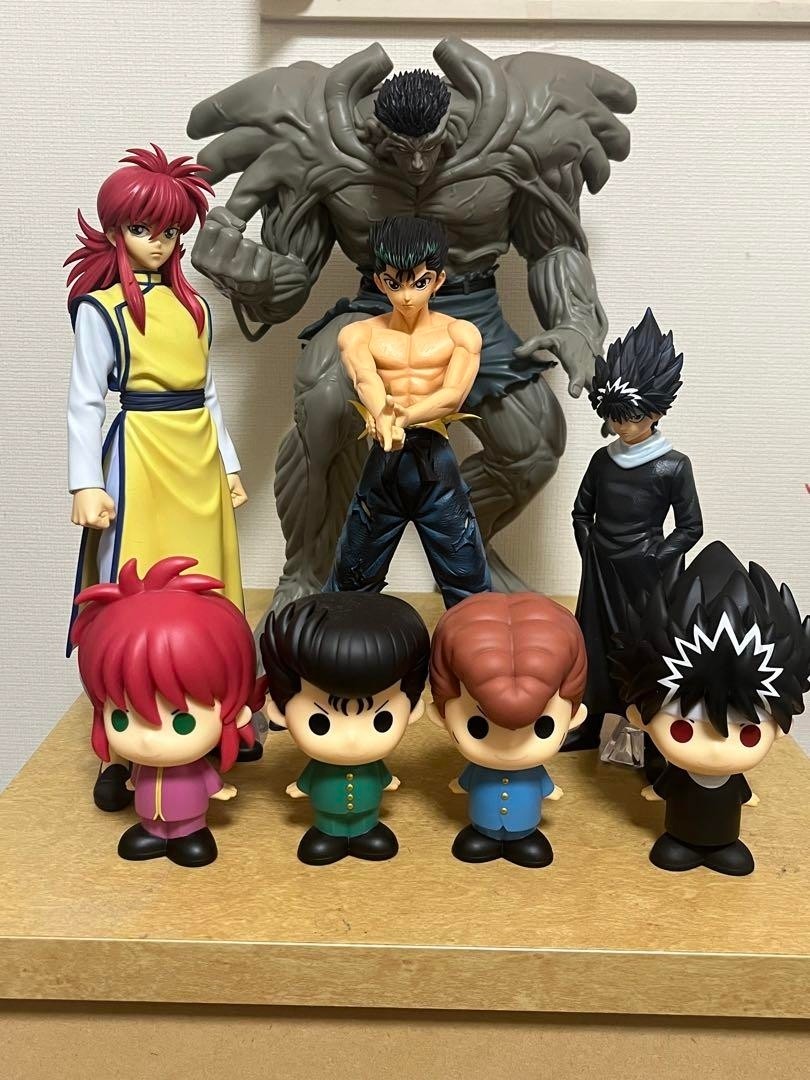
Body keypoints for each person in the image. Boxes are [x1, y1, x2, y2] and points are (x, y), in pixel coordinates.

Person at [187, 40, 636, 606]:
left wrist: (573, 320)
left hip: (471, 309)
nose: (417, 166)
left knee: (535, 444)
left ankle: (465, 550)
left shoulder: (515, 141)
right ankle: (308, 572)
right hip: (374, 308)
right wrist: (249, 273)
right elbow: (291, 278)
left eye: (429, 149)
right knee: (321, 402)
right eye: (402, 152)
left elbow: (554, 247)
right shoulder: (325, 150)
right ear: (378, 135)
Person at [65, 145, 249, 810]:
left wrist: (229, 462)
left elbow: (209, 394)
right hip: (140, 453)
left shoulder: (193, 307)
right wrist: (86, 481)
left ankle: (219, 715)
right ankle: (122, 739)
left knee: (209, 580)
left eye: (169, 230)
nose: (157, 242)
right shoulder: (102, 310)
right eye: (142, 228)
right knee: (130, 587)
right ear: (116, 230)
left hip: (196, 454)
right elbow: (86, 399)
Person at [613, 541, 810, 876]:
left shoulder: (732, 777)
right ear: (639, 716)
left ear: (779, 728)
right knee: (673, 851)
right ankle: (682, 844)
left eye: (748, 734)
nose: (716, 750)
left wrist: (745, 795)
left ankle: (723, 848)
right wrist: (656, 789)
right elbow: (666, 785)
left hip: (725, 835)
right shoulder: (677, 770)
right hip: (678, 833)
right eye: (683, 729)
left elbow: (739, 791)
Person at [323, 215, 490, 607]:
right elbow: (365, 378)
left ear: (438, 280)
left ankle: (475, 638)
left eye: (419, 282)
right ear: (380, 282)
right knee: (353, 573)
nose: (407, 296)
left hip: (435, 461)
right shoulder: (359, 333)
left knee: (466, 574)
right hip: (385, 463)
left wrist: (401, 417)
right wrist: (382, 414)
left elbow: (452, 396)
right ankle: (343, 637)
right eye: (395, 284)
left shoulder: (460, 333)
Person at [569, 308, 703, 753]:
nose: (622, 427)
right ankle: (590, 724)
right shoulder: (602, 460)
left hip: (645, 575)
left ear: (657, 412)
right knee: (593, 645)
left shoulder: (673, 466)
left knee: (645, 648)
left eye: (631, 417)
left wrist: (656, 558)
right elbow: (580, 512)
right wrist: (590, 550)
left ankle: (645, 734)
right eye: (615, 418)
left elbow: (690, 527)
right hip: (601, 570)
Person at [71, 557, 262, 868]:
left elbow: (208, 779)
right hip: (149, 820)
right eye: (121, 718)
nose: (148, 740)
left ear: (236, 712)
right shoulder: (140, 766)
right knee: (147, 830)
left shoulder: (195, 767)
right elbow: (134, 778)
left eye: (182, 722)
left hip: (191, 821)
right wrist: (132, 782)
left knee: (191, 839)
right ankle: (154, 833)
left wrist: (219, 789)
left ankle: (189, 834)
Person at [260, 592, 430, 865]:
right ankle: (329, 835)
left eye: (381, 720)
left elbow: (382, 776)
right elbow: (309, 779)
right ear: (280, 712)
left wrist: (388, 780)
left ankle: (366, 831)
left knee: (370, 830)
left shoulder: (373, 765)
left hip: (368, 817)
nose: (351, 738)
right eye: (320, 723)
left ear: (412, 709)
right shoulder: (320, 767)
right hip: (326, 819)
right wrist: (302, 786)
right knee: (325, 834)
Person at [429, 592, 588, 867]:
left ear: (575, 717)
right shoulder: (478, 770)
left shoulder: (533, 773)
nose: (510, 750)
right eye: (478, 728)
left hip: (526, 828)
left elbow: (545, 786)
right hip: (481, 826)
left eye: (543, 727)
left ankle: (522, 839)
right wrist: (460, 783)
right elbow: (466, 781)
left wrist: (550, 790)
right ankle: (485, 836)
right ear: (440, 715)